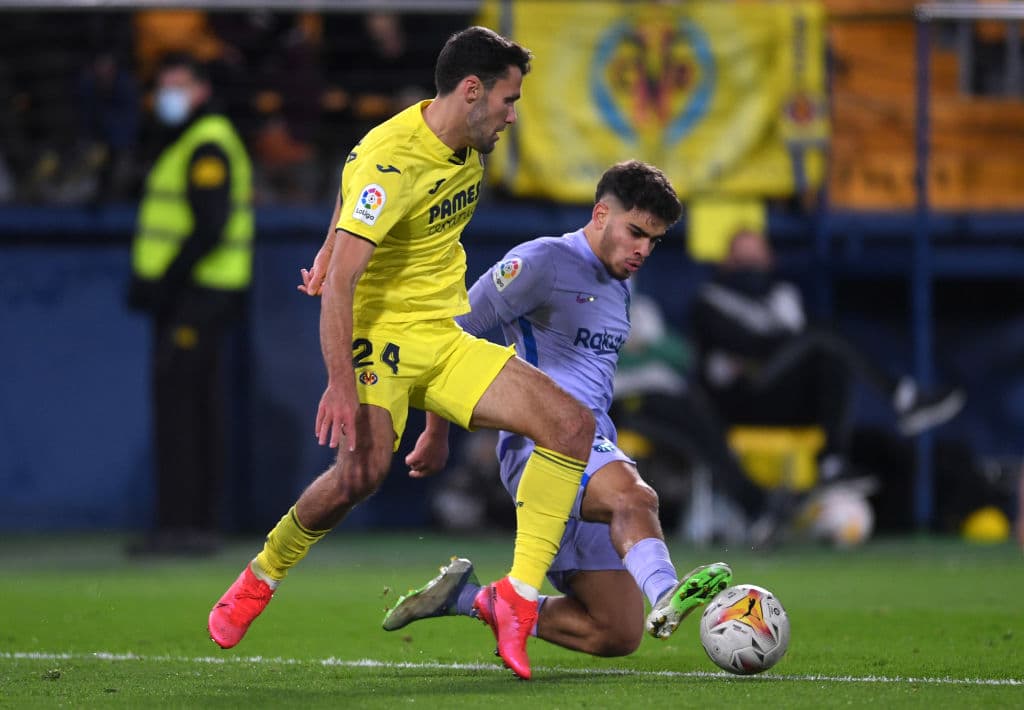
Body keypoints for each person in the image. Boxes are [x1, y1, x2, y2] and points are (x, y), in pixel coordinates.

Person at [207, 27, 597, 681]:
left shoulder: (461, 148)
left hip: (440, 339)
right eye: (507, 99)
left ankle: (517, 599)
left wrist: (439, 421)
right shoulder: (394, 159)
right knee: (362, 474)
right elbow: (341, 281)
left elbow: (353, 177)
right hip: (378, 340)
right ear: (471, 91)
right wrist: (338, 381)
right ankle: (262, 573)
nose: (511, 115)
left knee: (571, 426)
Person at [380, 160, 732, 660]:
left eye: (653, 241)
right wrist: (437, 429)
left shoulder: (621, 283)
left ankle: (472, 598)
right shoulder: (542, 262)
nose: (642, 250)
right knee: (636, 497)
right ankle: (667, 595)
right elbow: (449, 336)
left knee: (615, 633)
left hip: (592, 441)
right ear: (600, 213)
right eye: (635, 232)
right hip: (540, 441)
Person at [691, 228, 966, 484]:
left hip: (787, 401)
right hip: (740, 402)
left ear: (770, 260)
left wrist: (794, 343)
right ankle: (902, 398)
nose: (749, 265)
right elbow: (750, 347)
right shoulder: (711, 300)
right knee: (822, 335)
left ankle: (832, 464)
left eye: (756, 257)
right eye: (741, 258)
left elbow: (791, 351)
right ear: (726, 261)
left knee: (831, 356)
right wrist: (794, 341)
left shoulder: (782, 297)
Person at [126, 53, 254, 555]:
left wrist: (163, 284)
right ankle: (190, 525)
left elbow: (209, 226)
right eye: (162, 87)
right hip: (196, 297)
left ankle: (183, 527)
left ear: (201, 89)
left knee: (182, 410)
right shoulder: (189, 141)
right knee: (192, 408)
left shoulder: (207, 144)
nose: (167, 97)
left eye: (177, 85)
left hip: (197, 298)